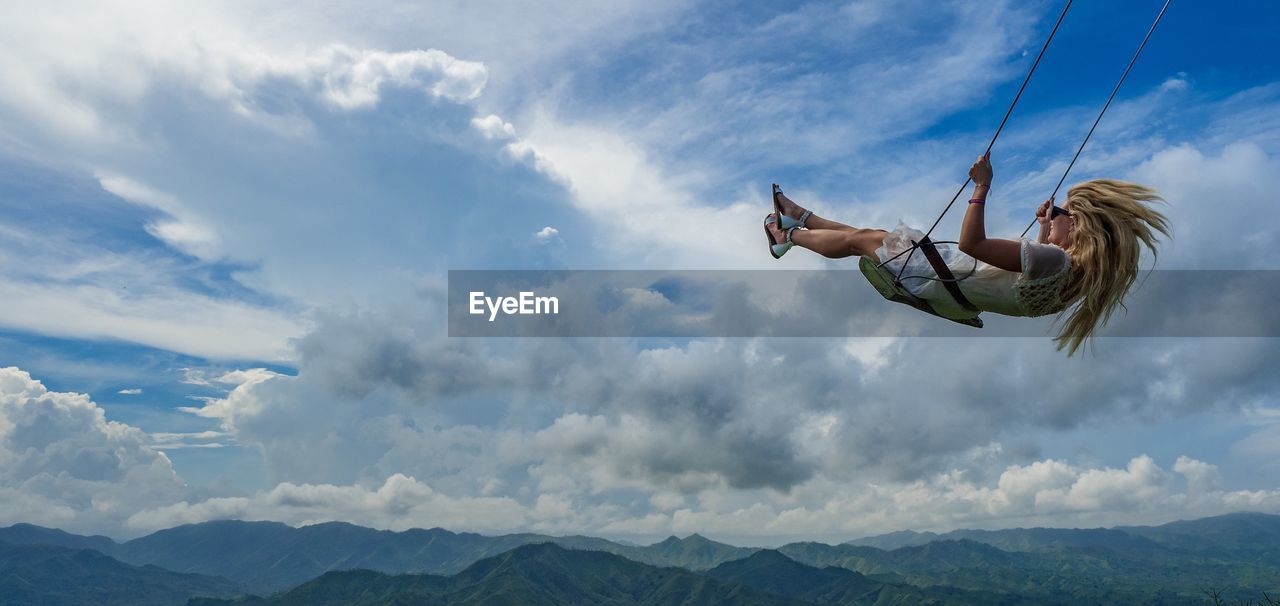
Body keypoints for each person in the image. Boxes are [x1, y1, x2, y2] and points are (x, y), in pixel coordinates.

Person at [764, 153, 1171, 355]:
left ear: (1080, 224)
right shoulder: (1074, 277)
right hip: (950, 293)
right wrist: (1048, 225)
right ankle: (799, 216)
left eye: (1063, 211)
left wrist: (982, 186)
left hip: (941, 278)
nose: (1056, 214)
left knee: (860, 242)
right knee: (873, 235)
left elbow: (972, 245)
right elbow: (1037, 265)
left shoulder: (1058, 262)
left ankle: (787, 236)